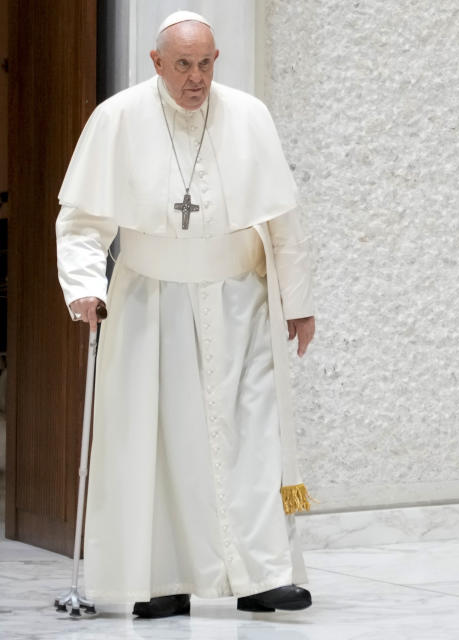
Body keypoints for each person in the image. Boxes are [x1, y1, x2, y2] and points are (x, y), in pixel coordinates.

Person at [55, 11, 316, 618]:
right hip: (151, 299)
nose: (196, 79)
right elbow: (82, 221)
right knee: (156, 440)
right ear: (156, 63)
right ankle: (161, 578)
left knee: (252, 439)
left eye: (206, 64)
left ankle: (262, 575)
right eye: (183, 66)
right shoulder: (116, 119)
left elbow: (283, 222)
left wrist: (299, 303)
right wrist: (84, 287)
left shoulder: (250, 116)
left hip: (240, 301)